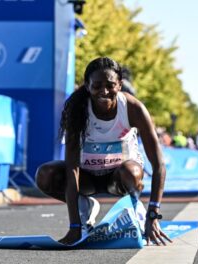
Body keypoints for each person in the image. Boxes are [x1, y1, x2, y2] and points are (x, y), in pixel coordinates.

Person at [35, 57, 172, 246]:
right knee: (45, 175)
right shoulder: (77, 110)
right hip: (88, 177)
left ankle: (135, 210)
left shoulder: (133, 109)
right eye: (97, 86)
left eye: (110, 85)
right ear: (87, 85)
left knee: (131, 172)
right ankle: (86, 208)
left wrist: (153, 214)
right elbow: (72, 169)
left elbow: (158, 165)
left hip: (119, 178)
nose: (104, 92)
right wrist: (75, 226)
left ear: (120, 85)